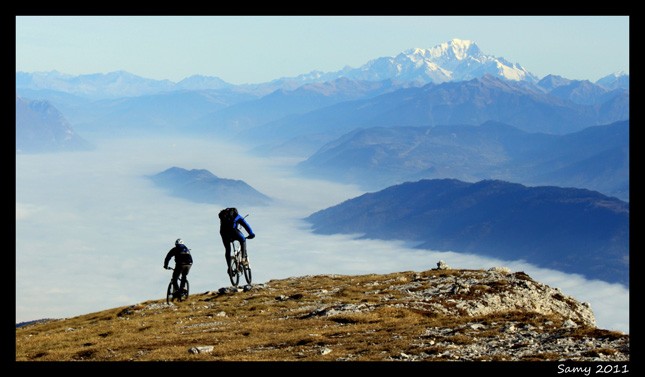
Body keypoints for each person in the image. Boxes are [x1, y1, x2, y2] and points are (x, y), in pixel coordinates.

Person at [219, 207, 255, 276]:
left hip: (223, 233)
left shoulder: (223, 216)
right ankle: (243, 259)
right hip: (233, 232)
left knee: (227, 249)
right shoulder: (237, 216)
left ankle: (229, 268)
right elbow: (246, 225)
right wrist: (251, 234)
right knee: (243, 240)